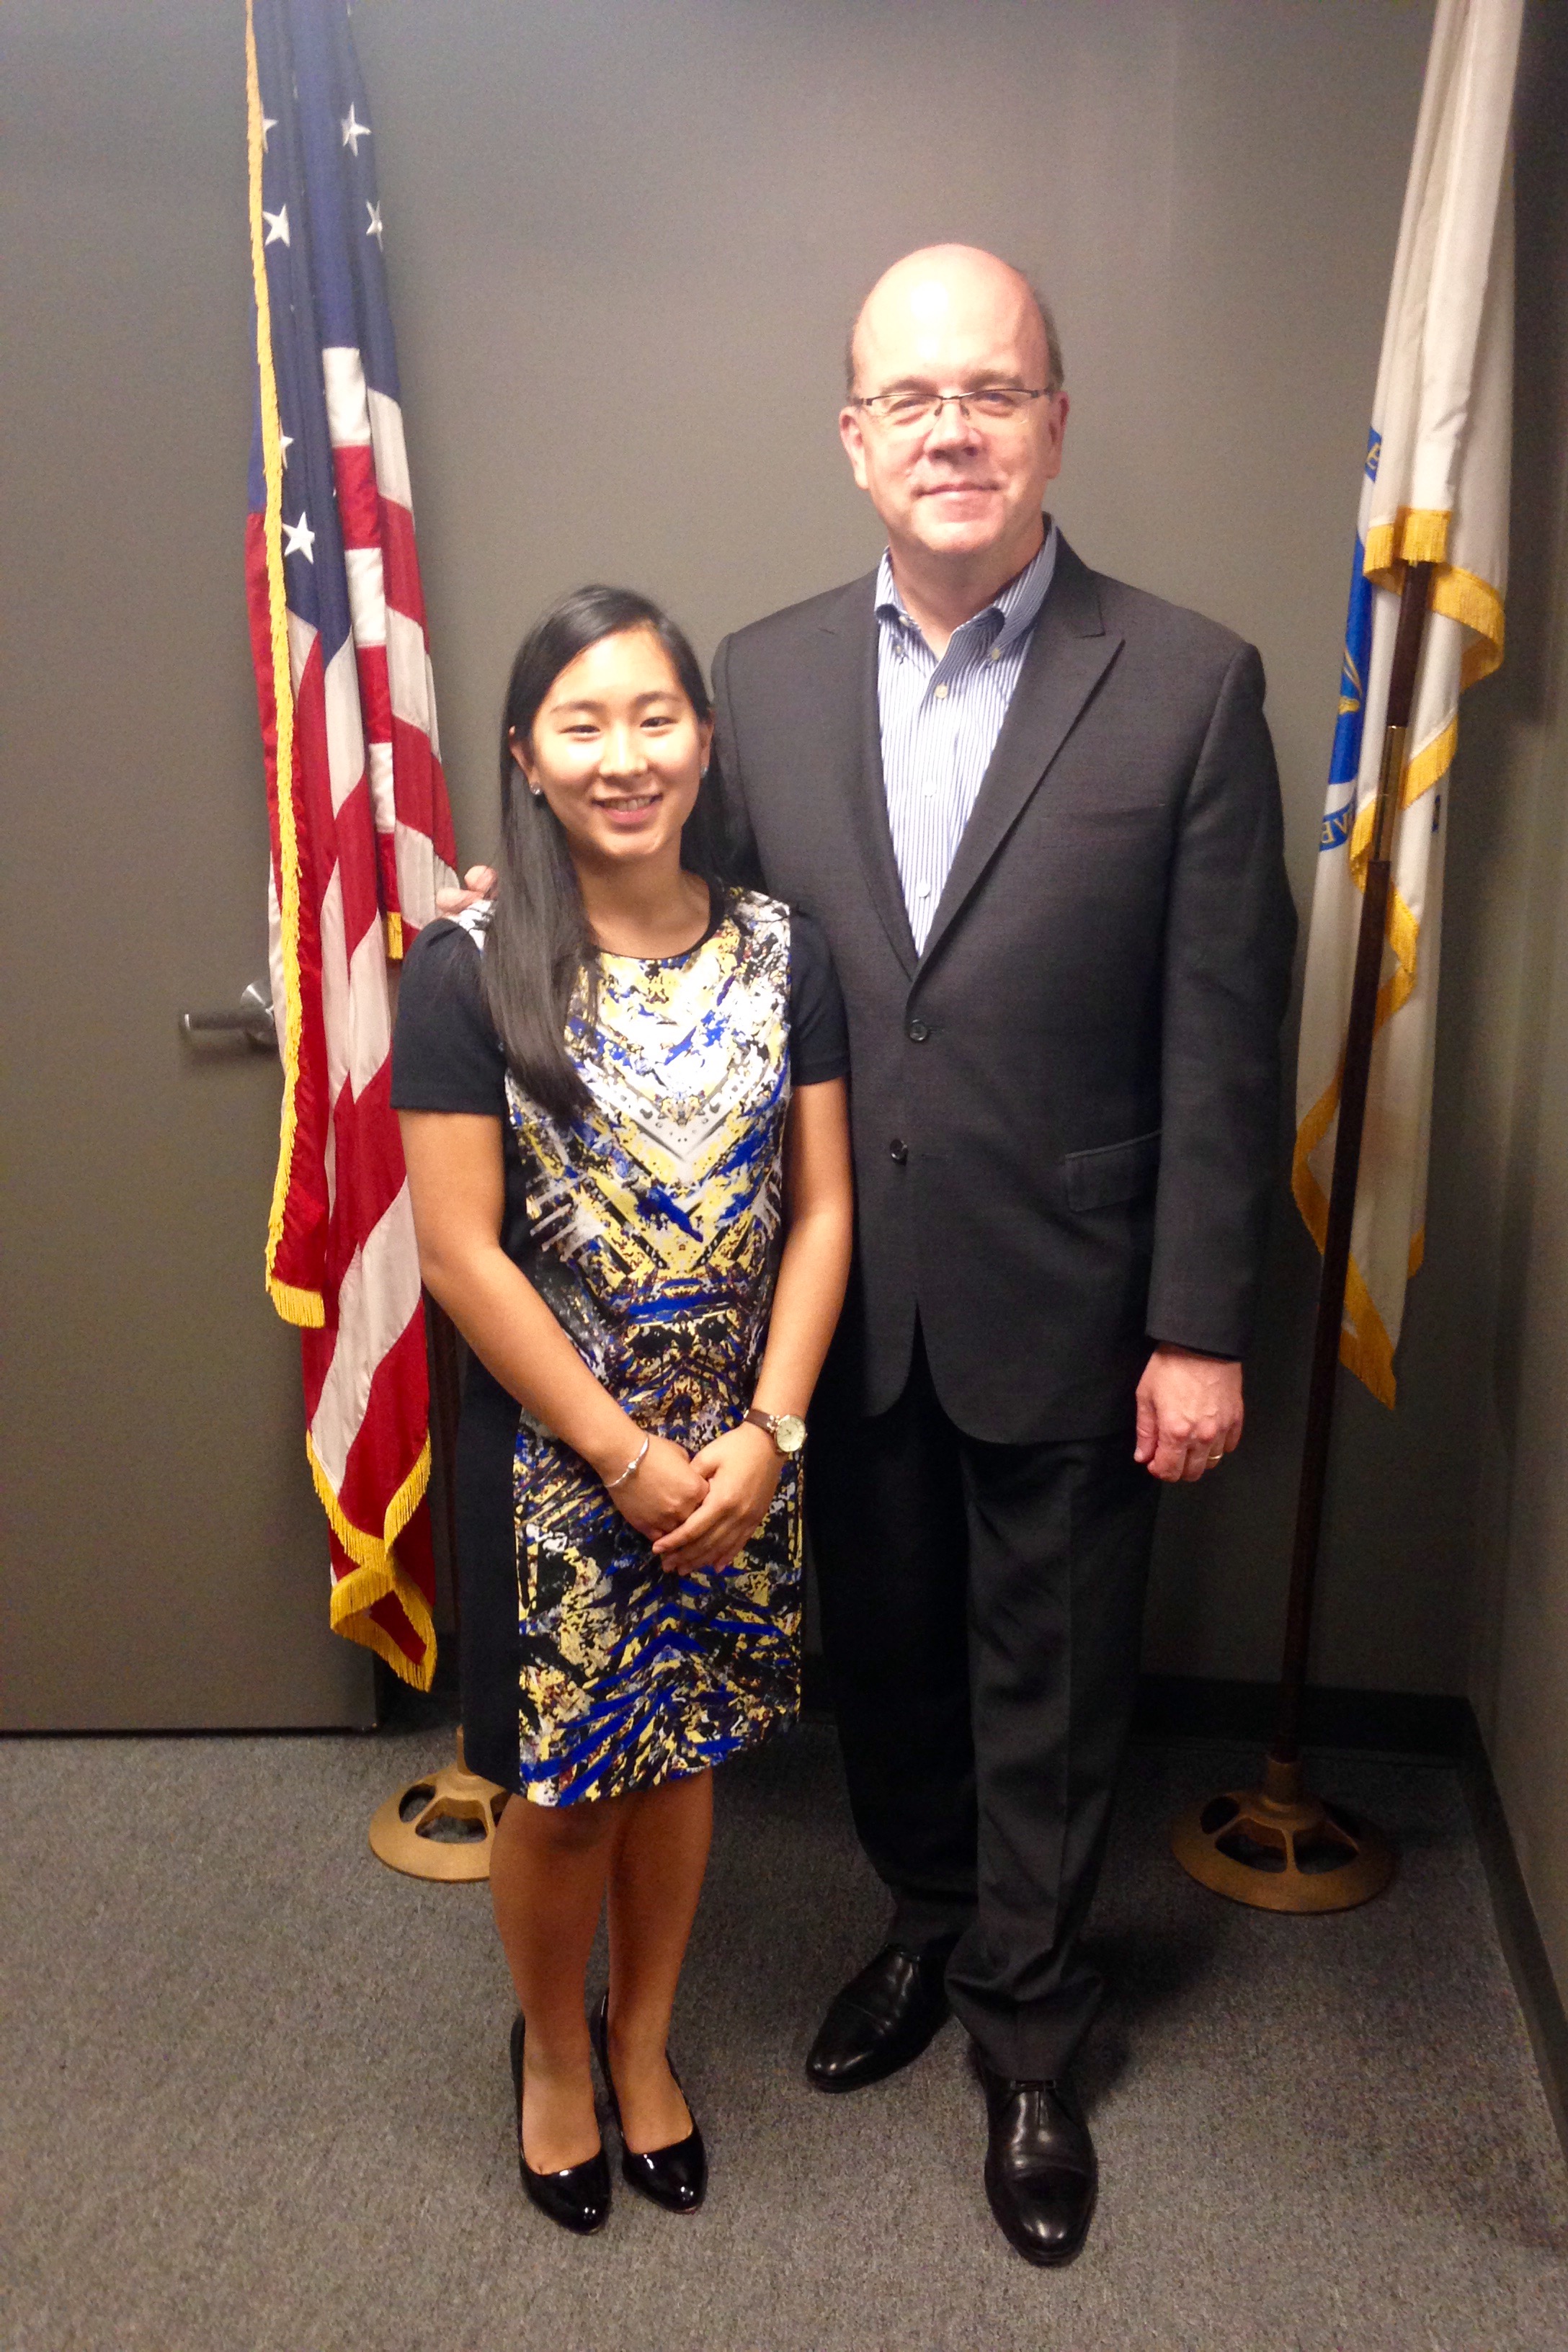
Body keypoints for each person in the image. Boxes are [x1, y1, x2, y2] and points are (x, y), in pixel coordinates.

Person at [448, 244, 1296, 2267]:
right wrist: (514, 897)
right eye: (910, 399)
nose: (952, 431)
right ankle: (930, 1918)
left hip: (1077, 1299)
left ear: (1054, 425)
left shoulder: (1190, 682)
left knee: (1054, 1688)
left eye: (991, 393)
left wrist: (1198, 1323)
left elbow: (1229, 1035)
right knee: (894, 1661)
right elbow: (687, 927)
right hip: (826, 1315)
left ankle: (1033, 2032)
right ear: (853, 438)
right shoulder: (761, 678)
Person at [392, 586, 852, 2235]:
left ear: (704, 741)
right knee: (572, 1792)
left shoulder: (786, 951)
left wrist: (769, 1435)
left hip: (738, 1461)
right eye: (580, 725)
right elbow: (459, 1256)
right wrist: (626, 1456)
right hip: (560, 1468)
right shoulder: (466, 969)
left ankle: (643, 2044)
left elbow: (824, 1210)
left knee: (686, 1756)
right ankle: (552, 2054)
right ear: (526, 757)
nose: (624, 756)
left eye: (655, 717)